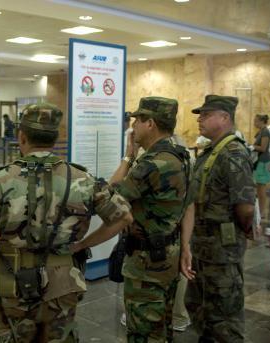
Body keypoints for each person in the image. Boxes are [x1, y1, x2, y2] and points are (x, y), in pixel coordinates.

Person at [0, 103, 133, 342]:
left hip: (11, 285)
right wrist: (82, 244)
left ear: (21, 137)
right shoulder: (82, 179)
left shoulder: (0, 180)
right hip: (63, 283)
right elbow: (123, 218)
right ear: (55, 139)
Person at [85, 97, 192, 342]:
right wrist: (186, 246)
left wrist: (127, 158)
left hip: (146, 265)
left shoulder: (150, 164)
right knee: (162, 326)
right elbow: (190, 205)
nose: (133, 127)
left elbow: (110, 200)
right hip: (169, 255)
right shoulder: (182, 155)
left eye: (137, 120)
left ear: (151, 123)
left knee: (143, 332)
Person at [186, 95, 256, 342]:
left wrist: (243, 230)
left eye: (206, 115)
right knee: (201, 307)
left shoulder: (234, 152)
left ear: (225, 118)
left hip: (222, 250)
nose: (200, 120)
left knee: (225, 315)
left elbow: (245, 208)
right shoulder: (212, 151)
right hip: (204, 248)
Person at [251, 114, 270, 220]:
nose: (254, 123)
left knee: (262, 189)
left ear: (261, 121)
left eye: (255, 121)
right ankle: (260, 211)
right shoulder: (260, 131)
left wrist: (251, 146)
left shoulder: (265, 132)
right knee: (259, 188)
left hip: (263, 162)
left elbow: (263, 148)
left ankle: (262, 212)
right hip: (259, 162)